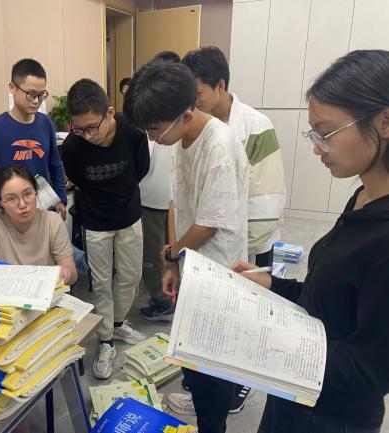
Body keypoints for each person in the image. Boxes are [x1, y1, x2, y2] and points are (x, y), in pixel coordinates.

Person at [233, 49, 389, 433]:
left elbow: (370, 372)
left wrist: (274, 344)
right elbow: (332, 300)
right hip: (295, 395)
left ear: (384, 121)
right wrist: (273, 285)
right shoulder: (363, 197)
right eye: (314, 133)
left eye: (326, 132)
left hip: (330, 417)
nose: (317, 147)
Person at [124, 61, 248, 433]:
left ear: (187, 115)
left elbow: (209, 224)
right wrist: (173, 261)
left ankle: (213, 423)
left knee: (215, 367)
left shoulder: (219, 146)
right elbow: (175, 202)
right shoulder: (180, 138)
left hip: (220, 273)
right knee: (193, 356)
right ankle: (201, 403)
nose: (151, 139)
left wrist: (174, 253)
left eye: (154, 131)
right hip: (192, 264)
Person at [181, 46, 287, 413]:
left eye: (197, 93)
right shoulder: (197, 126)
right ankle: (215, 378)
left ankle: (241, 383)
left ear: (220, 86)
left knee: (248, 316)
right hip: (219, 243)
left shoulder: (255, 125)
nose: (192, 101)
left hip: (252, 241)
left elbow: (267, 194)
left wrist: (242, 249)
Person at [62, 78, 149, 379]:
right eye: (79, 129)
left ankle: (118, 323)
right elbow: (77, 179)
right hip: (96, 221)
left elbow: (141, 169)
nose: (86, 136)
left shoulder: (133, 133)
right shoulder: (72, 146)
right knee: (100, 284)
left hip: (129, 215)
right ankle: (106, 340)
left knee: (130, 276)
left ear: (110, 113)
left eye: (91, 128)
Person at [0, 58, 67, 219]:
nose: (36, 101)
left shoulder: (46, 123)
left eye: (41, 95)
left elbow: (55, 165)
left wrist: (61, 199)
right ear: (12, 88)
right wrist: (0, 190)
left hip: (45, 208)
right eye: (30, 94)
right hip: (12, 212)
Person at [0, 164, 77, 286]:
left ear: (36, 191)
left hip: (44, 292)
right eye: (11, 199)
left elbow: (72, 273)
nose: (22, 205)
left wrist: (65, 274)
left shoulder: (52, 221)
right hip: (6, 292)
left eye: (28, 194)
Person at [138, 50, 181, 322]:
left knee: (159, 256)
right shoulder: (181, 112)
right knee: (169, 253)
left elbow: (145, 160)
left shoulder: (160, 114)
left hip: (157, 198)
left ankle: (163, 302)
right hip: (164, 197)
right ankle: (171, 297)